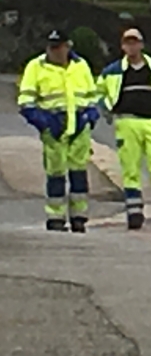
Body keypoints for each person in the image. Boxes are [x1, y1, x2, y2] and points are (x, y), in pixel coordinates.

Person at [98, 27, 151, 230]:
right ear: (122, 46)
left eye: (134, 42)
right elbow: (98, 92)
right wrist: (107, 110)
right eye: (127, 42)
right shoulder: (113, 71)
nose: (131, 46)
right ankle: (134, 214)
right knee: (130, 170)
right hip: (127, 123)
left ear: (141, 45)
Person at [16, 28, 100, 233]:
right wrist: (43, 122)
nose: (54, 51)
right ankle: (55, 217)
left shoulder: (81, 66)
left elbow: (92, 96)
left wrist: (90, 117)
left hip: (79, 126)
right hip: (53, 128)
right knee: (55, 174)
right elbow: (26, 101)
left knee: (79, 173)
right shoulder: (36, 67)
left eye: (58, 47)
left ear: (67, 46)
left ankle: (79, 216)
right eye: (51, 47)